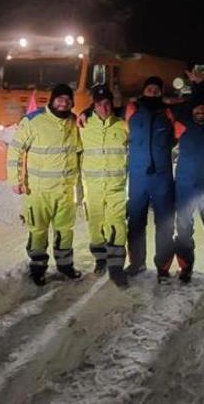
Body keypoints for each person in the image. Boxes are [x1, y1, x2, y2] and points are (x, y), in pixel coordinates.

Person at [160, 73, 204, 289]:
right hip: (184, 186)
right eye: (197, 108)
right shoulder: (182, 124)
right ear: (191, 109)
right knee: (183, 229)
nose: (200, 111)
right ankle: (185, 268)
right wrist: (198, 85)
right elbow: (164, 111)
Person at [6, 83, 83, 286]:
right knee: (38, 231)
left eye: (67, 100)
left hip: (65, 191)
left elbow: (79, 153)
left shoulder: (74, 122)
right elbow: (15, 150)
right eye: (59, 98)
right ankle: (38, 269)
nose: (63, 103)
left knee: (65, 231)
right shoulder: (34, 121)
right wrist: (15, 180)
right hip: (38, 191)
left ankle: (65, 266)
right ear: (52, 100)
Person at [123, 76, 177, 281]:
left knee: (164, 222)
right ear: (144, 90)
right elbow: (105, 110)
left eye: (156, 89)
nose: (153, 91)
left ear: (161, 92)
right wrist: (84, 112)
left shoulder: (168, 111)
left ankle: (163, 266)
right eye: (150, 88)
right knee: (136, 221)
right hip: (138, 176)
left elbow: (182, 128)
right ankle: (137, 263)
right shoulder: (132, 108)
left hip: (161, 176)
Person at [78, 85, 129, 287]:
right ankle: (100, 259)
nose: (104, 108)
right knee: (95, 226)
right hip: (93, 188)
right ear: (94, 106)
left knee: (117, 225)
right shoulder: (83, 125)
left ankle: (116, 268)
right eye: (99, 104)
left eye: (107, 103)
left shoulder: (123, 125)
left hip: (116, 187)